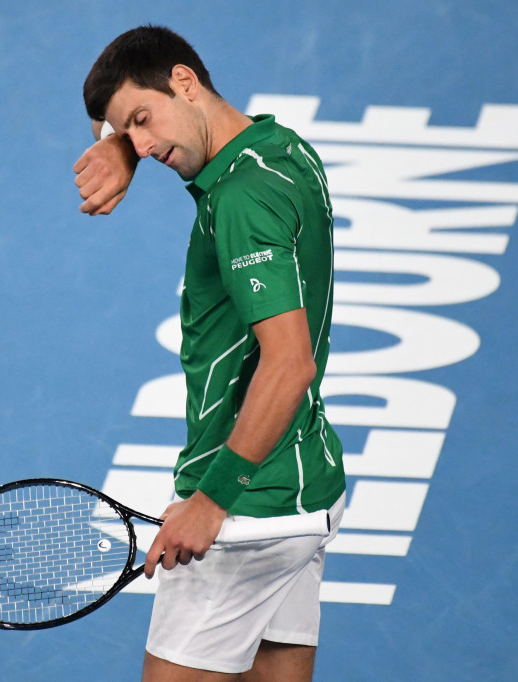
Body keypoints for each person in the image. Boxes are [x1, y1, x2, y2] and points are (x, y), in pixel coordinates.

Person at [73, 26, 346, 682]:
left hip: (248, 510)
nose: (142, 143)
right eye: (126, 130)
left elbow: (289, 362)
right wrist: (126, 141)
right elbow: (170, 126)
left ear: (185, 81)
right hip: (305, 487)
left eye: (143, 119)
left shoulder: (242, 200)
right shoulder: (277, 149)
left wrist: (210, 500)